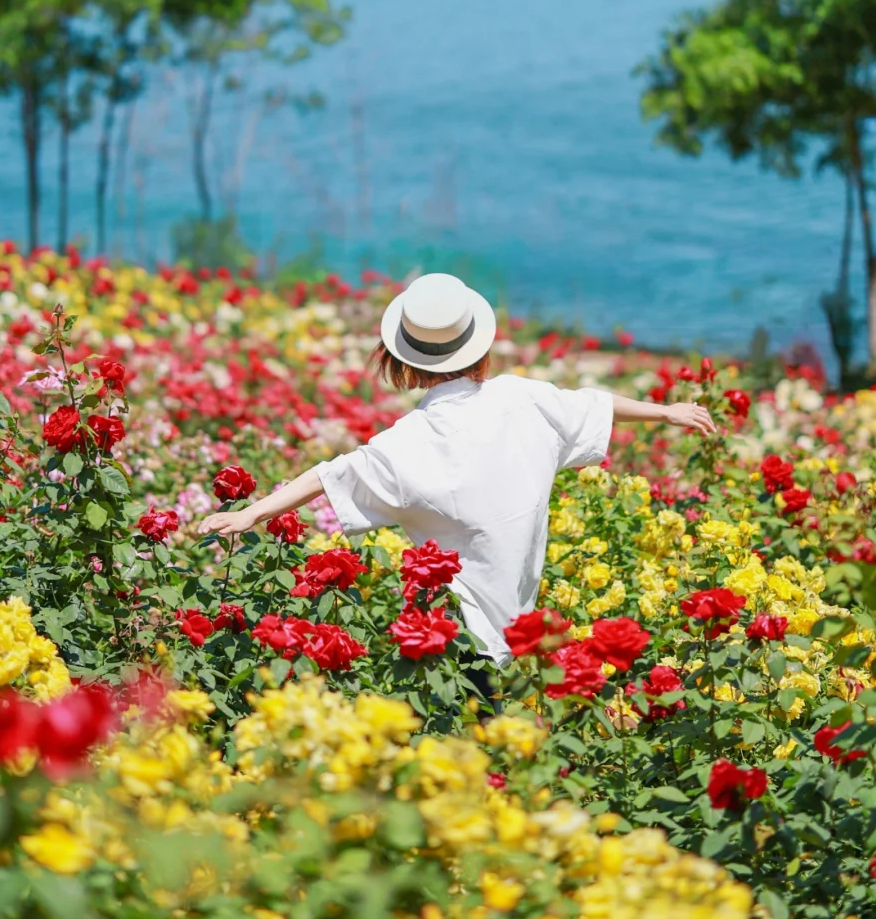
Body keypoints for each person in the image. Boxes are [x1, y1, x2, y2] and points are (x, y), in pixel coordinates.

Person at [200, 272, 715, 669]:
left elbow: (331, 474)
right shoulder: (523, 397)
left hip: (449, 638)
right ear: (479, 344)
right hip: (521, 628)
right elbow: (593, 404)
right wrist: (666, 412)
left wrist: (252, 513)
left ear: (404, 358)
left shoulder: (410, 441)